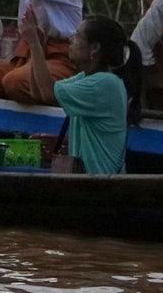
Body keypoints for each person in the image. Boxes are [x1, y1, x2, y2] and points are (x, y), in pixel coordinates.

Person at [37, 13, 137, 176]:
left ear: (94, 47)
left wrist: (34, 45)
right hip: (86, 182)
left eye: (77, 36)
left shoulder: (105, 83)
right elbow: (39, 92)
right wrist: (37, 47)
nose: (71, 40)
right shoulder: (85, 77)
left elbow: (47, 92)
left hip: (101, 184)